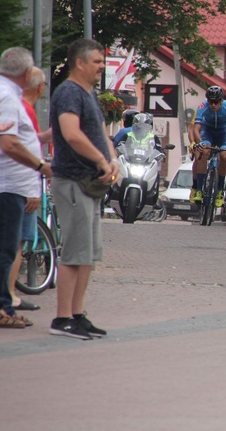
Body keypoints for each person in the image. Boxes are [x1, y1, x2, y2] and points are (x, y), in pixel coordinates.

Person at [49, 38, 119, 339]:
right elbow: (71, 134)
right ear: (80, 63)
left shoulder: (88, 93)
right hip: (74, 179)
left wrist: (113, 159)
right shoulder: (68, 92)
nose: (102, 67)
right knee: (75, 253)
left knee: (88, 254)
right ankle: (62, 318)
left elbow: (100, 131)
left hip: (90, 184)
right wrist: (102, 160)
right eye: (97, 62)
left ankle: (77, 314)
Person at [0, 48, 52, 329]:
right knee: (6, 249)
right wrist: (39, 165)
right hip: (9, 185)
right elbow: (8, 143)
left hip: (12, 184)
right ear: (27, 73)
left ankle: (5, 306)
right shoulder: (7, 97)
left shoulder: (10, 94)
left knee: (7, 247)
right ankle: (2, 309)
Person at [190, 86, 226, 208]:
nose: (213, 105)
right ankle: (199, 189)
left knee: (225, 155)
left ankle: (220, 190)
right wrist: (199, 142)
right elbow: (196, 128)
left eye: (216, 102)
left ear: (221, 100)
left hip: (223, 132)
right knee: (203, 151)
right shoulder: (203, 106)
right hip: (207, 131)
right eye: (210, 101)